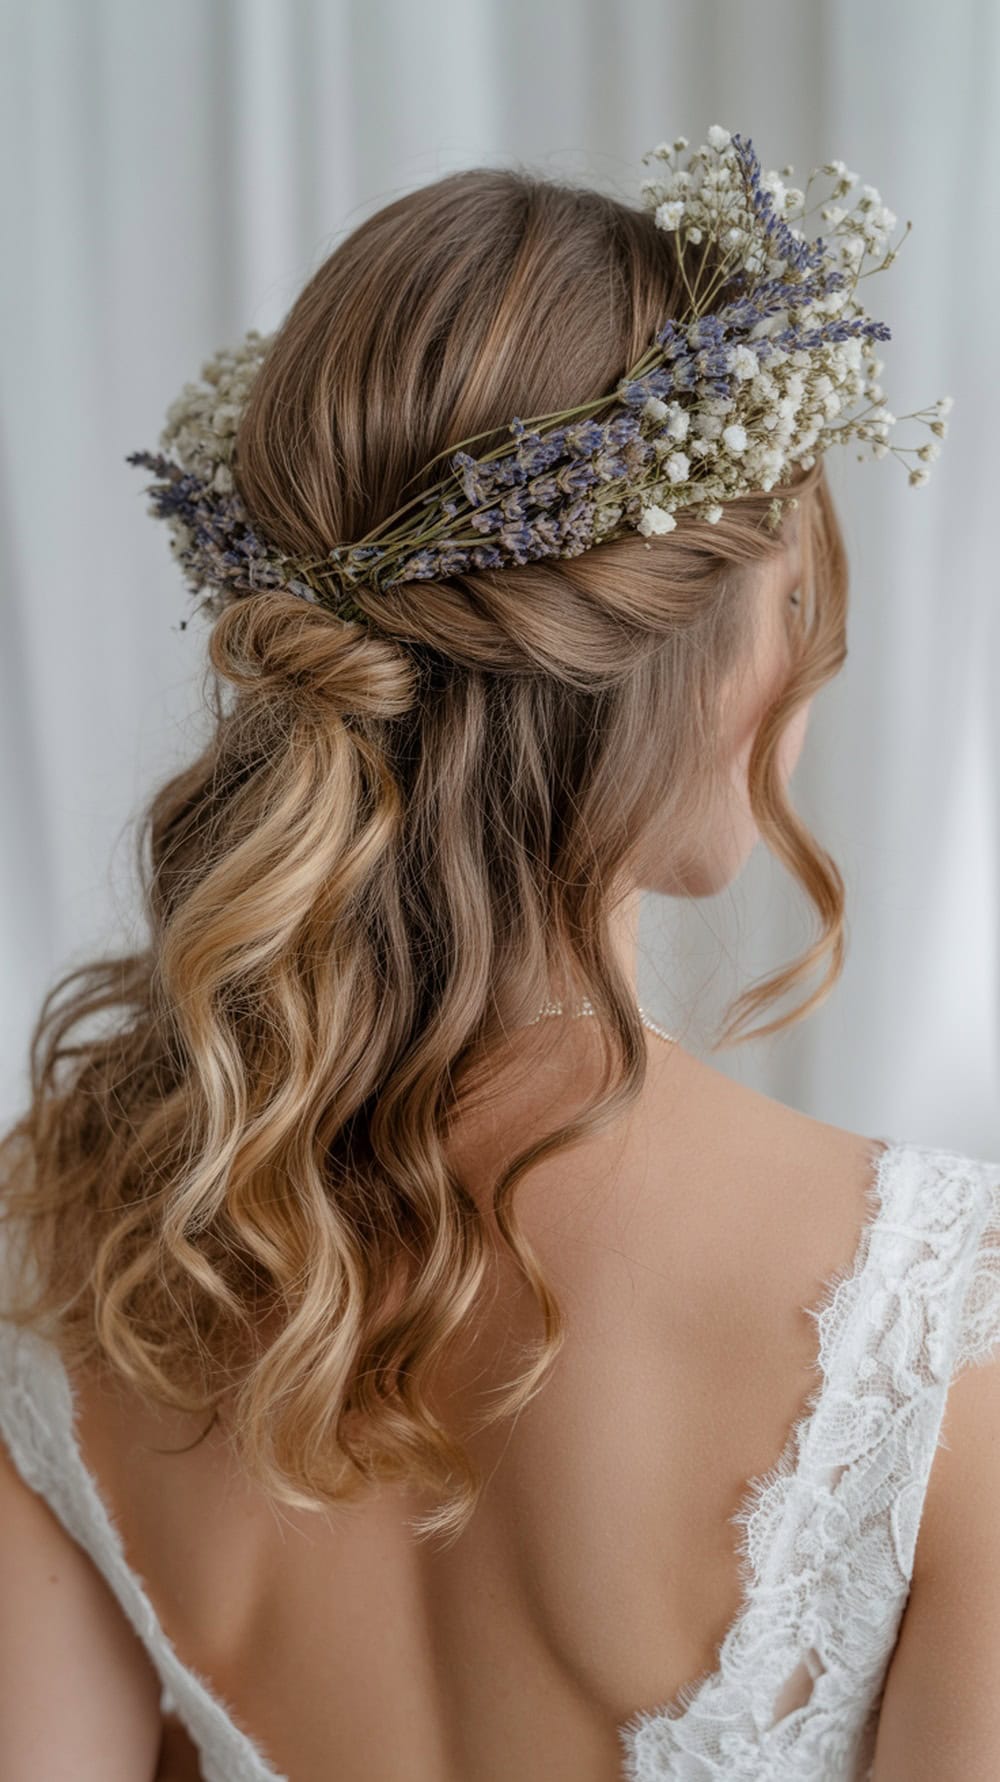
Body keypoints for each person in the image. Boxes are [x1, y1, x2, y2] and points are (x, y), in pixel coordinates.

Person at [0, 128, 994, 1782]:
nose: (803, 673)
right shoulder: (946, 1333)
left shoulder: (78, 1246)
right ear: (677, 650)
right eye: (786, 598)